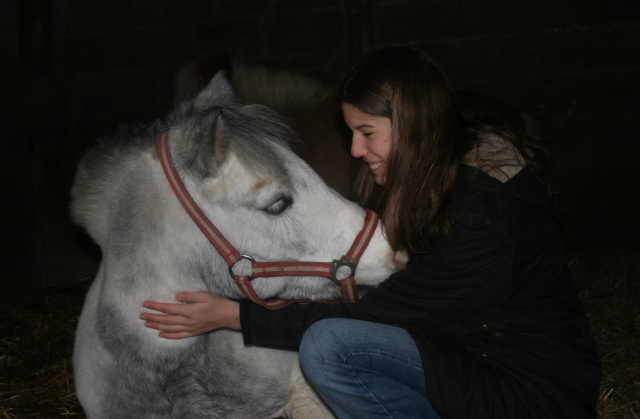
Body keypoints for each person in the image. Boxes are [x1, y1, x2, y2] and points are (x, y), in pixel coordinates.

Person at [140, 45, 601, 418]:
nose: (356, 149)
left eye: (366, 132)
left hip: (532, 392)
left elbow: (379, 312)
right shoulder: (439, 177)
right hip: (474, 354)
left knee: (331, 347)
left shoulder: (481, 218)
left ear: (413, 125)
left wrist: (234, 316)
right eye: (351, 133)